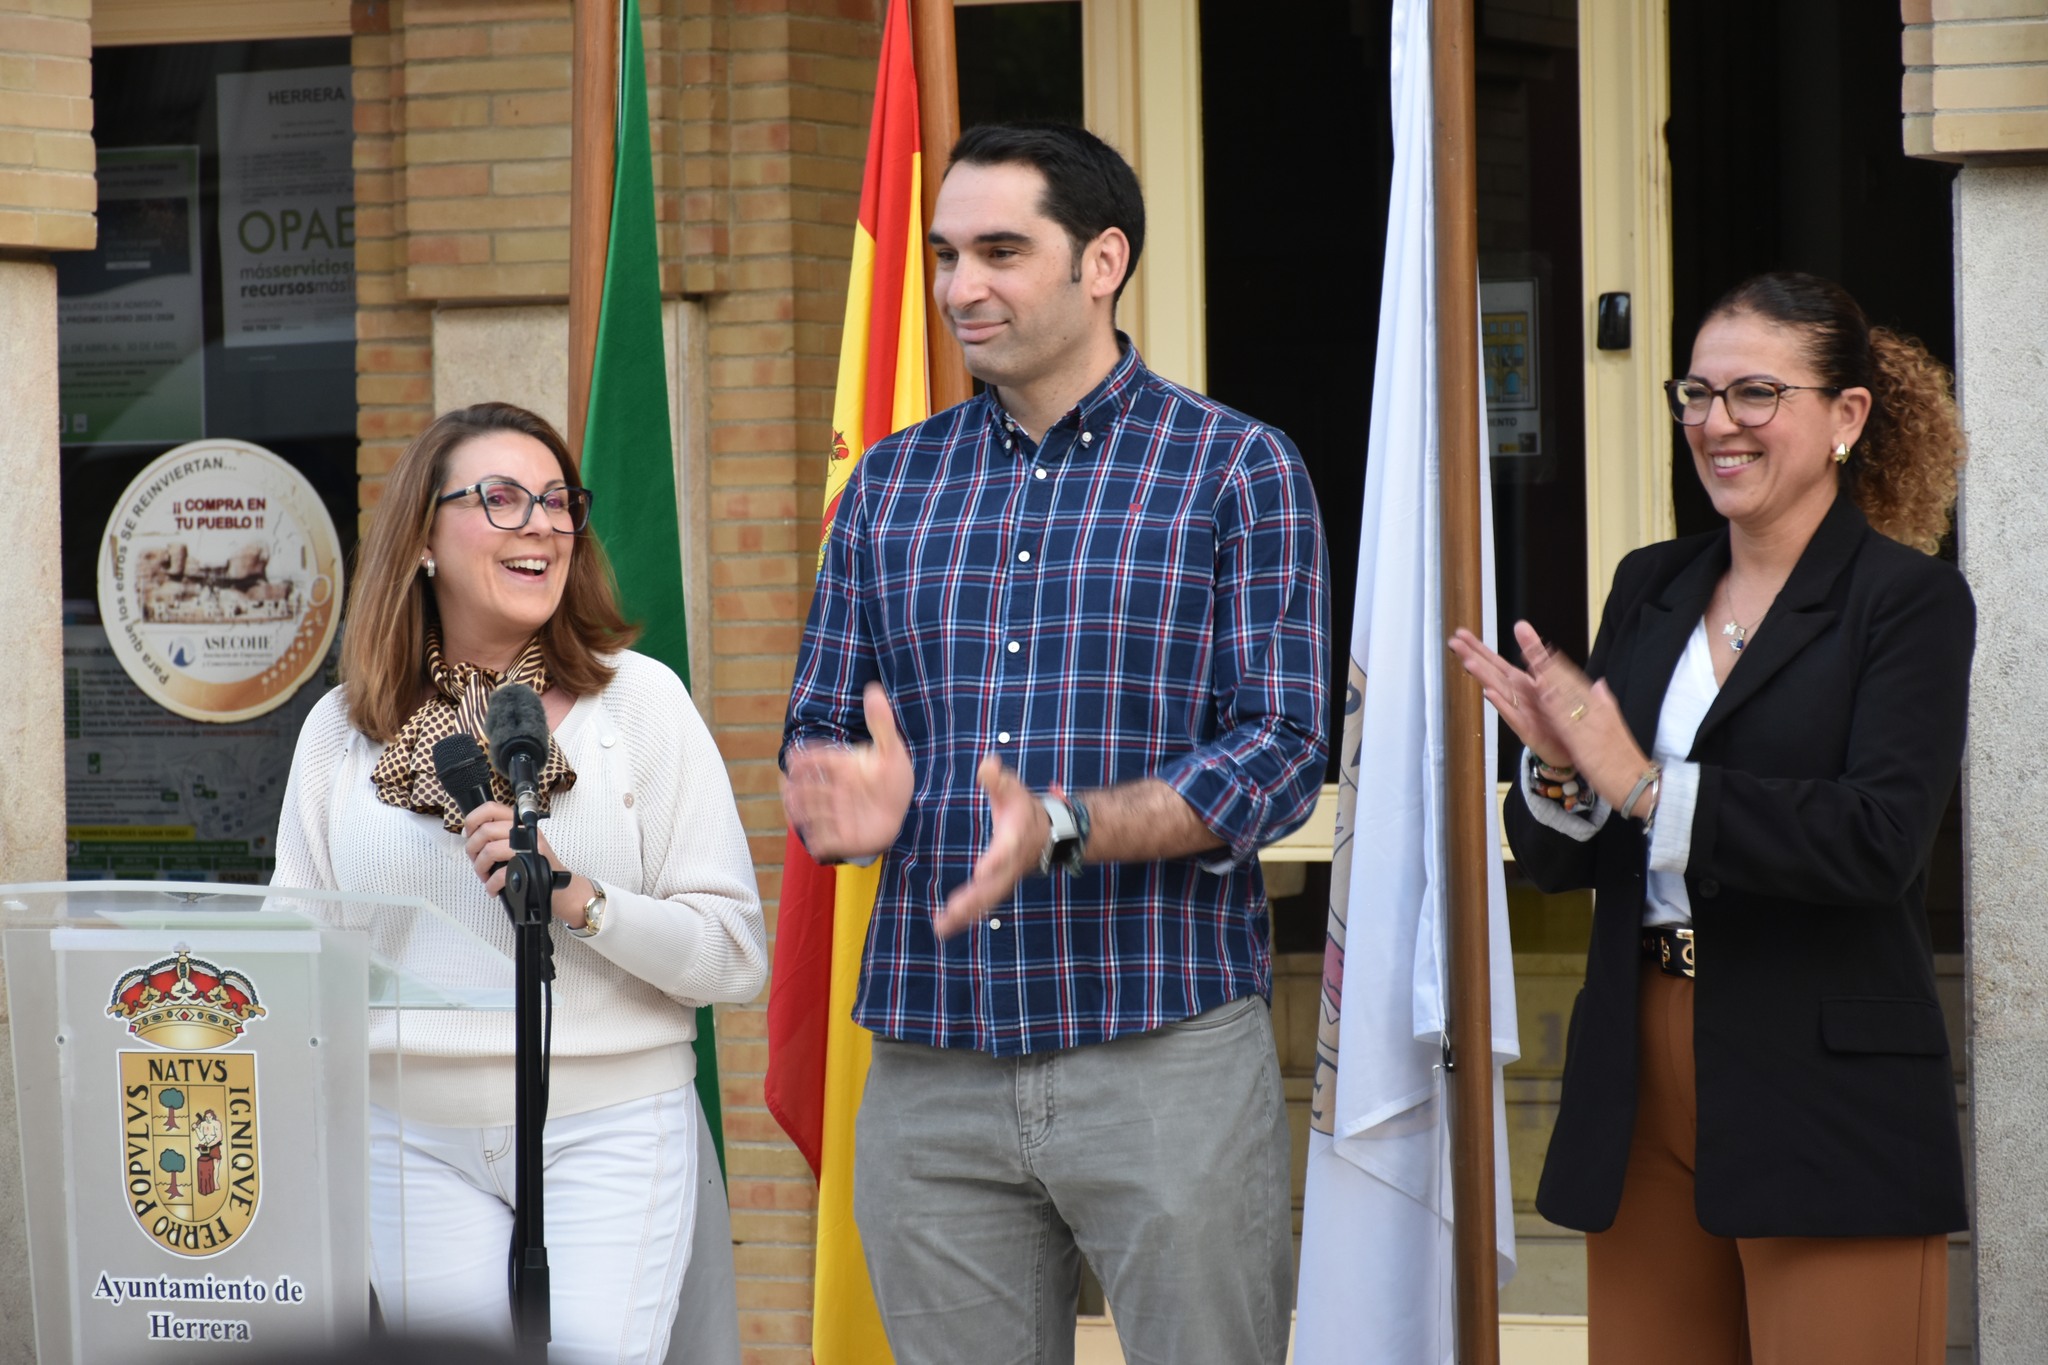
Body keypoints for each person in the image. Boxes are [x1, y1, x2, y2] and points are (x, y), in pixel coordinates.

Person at [781, 122, 1329, 1365]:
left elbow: (1282, 746)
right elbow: (819, 722)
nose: (957, 286)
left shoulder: (1234, 468)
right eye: (942, 255)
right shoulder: (886, 485)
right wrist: (840, 797)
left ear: (1101, 262)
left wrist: (1070, 827)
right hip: (930, 1059)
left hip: (1160, 1043)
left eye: (998, 251)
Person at [1451, 271, 1971, 1365]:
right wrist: (1561, 772)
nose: (1715, 423)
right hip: (1636, 1063)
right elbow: (1559, 858)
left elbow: (1877, 841)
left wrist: (1645, 786)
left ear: (1846, 415)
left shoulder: (1907, 601)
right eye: (1696, 392)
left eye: (1754, 394)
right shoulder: (1649, 585)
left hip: (1821, 1078)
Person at [272, 402, 767, 1363]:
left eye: (557, 501)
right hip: (407, 1136)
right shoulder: (341, 728)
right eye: (502, 498)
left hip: (610, 1125)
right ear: (423, 537)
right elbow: (297, 959)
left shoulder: (643, 703)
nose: (541, 523)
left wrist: (580, 900)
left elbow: (733, 957)